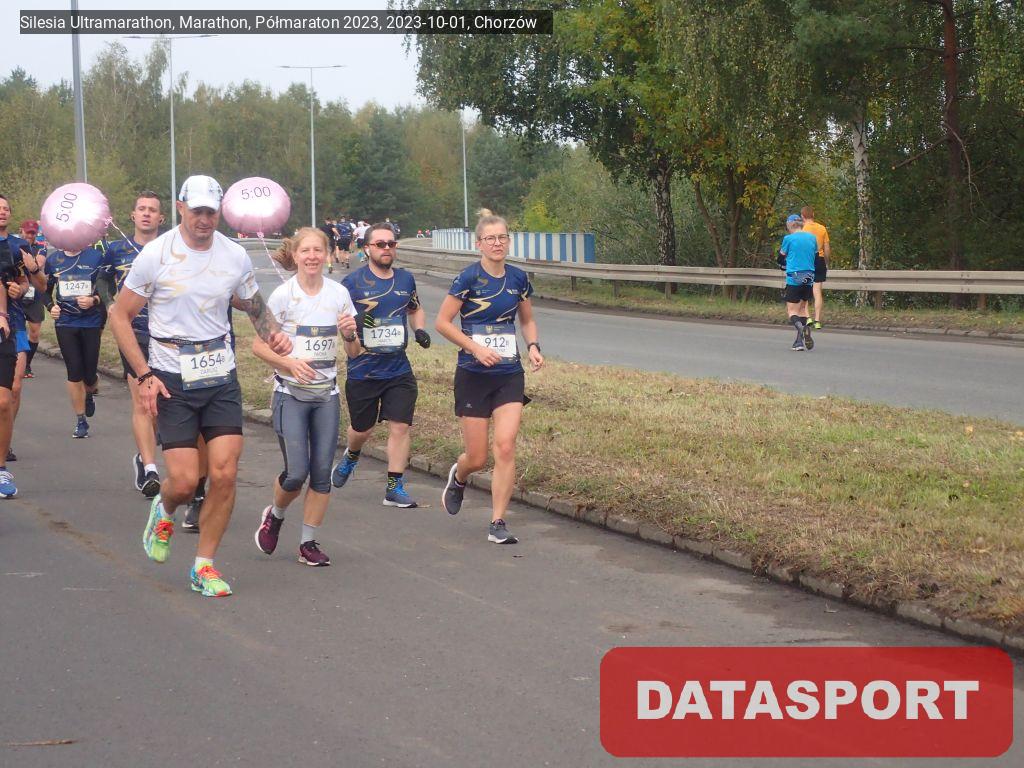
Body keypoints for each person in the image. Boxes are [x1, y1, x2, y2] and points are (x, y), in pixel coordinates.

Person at [108, 174, 292, 598]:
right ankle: (165, 507)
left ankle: (203, 566)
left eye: (211, 212)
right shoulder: (156, 254)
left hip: (219, 373)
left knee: (225, 473)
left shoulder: (234, 255)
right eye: (197, 211)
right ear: (180, 208)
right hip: (170, 375)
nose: (204, 219)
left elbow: (252, 303)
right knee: (185, 481)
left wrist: (274, 335)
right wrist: (144, 375)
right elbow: (119, 315)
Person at [253, 227, 360, 566]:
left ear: (327, 254)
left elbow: (354, 352)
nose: (312, 256)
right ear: (296, 255)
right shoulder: (282, 296)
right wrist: (289, 363)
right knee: (296, 473)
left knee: (322, 474)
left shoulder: (339, 294)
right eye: (306, 251)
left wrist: (349, 335)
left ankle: (308, 543)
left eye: (318, 250)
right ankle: (275, 515)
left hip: (326, 394)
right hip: (290, 394)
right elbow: (258, 346)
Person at [435, 213, 543, 544]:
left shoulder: (518, 278)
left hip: (508, 373)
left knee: (506, 446)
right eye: (490, 238)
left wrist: (533, 346)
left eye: (502, 237)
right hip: (473, 374)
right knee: (478, 457)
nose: (497, 243)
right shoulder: (468, 278)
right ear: (478, 244)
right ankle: (460, 475)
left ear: (509, 241)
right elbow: (442, 322)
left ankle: (498, 522)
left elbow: (527, 320)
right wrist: (475, 348)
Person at [333, 223, 431, 507]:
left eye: (391, 243)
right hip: (364, 369)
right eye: (380, 244)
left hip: (398, 369)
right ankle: (352, 454)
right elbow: (343, 321)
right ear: (367, 249)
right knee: (361, 430)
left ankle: (394, 486)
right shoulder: (352, 283)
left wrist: (419, 329)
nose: (387, 248)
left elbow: (415, 309)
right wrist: (353, 331)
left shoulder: (405, 279)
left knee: (400, 426)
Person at [102, 191, 164, 497]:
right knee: (142, 401)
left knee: (159, 407)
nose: (147, 214)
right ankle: (150, 468)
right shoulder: (116, 249)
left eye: (152, 210)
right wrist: (109, 304)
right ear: (133, 215)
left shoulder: (170, 248)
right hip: (133, 333)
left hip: (166, 336)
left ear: (161, 218)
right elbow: (101, 280)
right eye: (142, 209)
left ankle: (144, 452)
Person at [44, 233, 106, 438]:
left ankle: (90, 391)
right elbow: (44, 291)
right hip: (65, 323)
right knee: (74, 371)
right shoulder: (54, 260)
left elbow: (106, 289)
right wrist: (51, 306)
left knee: (89, 375)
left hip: (91, 322)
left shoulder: (95, 257)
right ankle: (81, 421)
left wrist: (94, 300)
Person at [0, 195, 23, 497]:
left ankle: (1, 468)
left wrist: (3, 314)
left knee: (4, 401)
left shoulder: (12, 247)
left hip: (6, 328)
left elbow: (16, 283)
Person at [777, 214, 818, 352]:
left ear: (790, 225)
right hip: (809, 275)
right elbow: (816, 257)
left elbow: (780, 258)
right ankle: (798, 342)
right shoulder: (812, 238)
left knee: (792, 311)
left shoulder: (788, 239)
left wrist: (784, 265)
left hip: (794, 275)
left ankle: (800, 327)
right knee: (802, 309)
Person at [18, 220, 46, 379]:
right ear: (21, 231)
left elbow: (39, 264)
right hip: (18, 293)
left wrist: (30, 263)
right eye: (27, 232)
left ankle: (27, 363)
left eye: (33, 233)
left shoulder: (40, 247)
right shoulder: (14, 246)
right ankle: (17, 363)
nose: (30, 235)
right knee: (17, 330)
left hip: (35, 295)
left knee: (34, 332)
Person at [800, 205, 831, 330]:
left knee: (805, 289)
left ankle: (808, 317)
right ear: (813, 215)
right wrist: (826, 262)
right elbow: (827, 248)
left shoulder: (802, 229)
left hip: (807, 260)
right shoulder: (822, 228)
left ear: (802, 216)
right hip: (820, 259)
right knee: (817, 291)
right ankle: (817, 320)